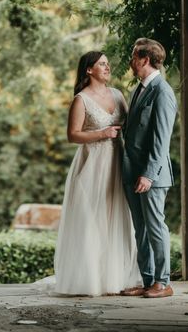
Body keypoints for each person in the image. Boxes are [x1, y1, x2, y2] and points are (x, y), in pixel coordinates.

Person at [52, 50, 142, 296]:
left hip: (118, 161)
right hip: (93, 165)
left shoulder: (117, 95)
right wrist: (102, 134)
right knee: (93, 218)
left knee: (117, 217)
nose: (107, 67)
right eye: (101, 64)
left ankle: (116, 277)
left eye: (107, 63)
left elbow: (130, 125)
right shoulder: (81, 100)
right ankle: (90, 279)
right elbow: (73, 135)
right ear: (88, 70)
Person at [120, 38, 178, 299]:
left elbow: (161, 139)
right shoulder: (139, 89)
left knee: (155, 228)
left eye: (134, 57)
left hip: (151, 176)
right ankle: (147, 281)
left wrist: (148, 175)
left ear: (143, 60)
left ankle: (163, 283)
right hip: (132, 171)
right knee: (140, 229)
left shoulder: (162, 91)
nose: (131, 61)